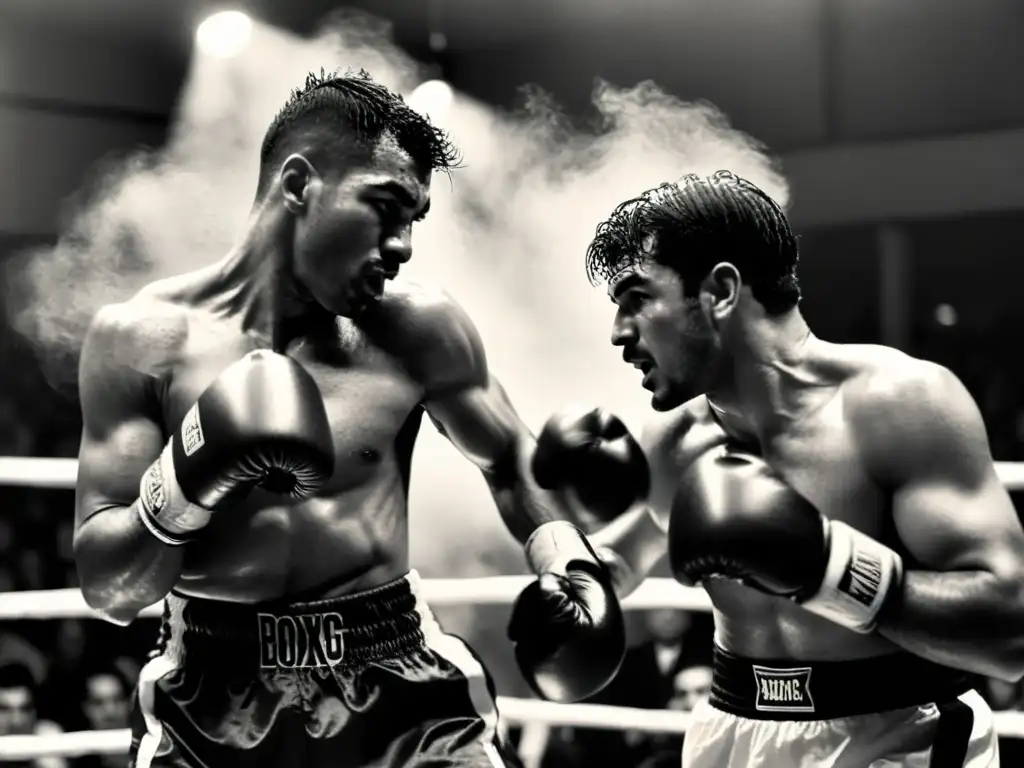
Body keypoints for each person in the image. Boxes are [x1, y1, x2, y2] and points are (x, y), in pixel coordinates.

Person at [72, 69, 627, 768]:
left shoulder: (416, 328)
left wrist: (570, 563)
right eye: (387, 208)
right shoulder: (141, 340)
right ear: (300, 185)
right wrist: (187, 478)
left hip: (396, 680)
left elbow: (514, 459)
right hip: (212, 696)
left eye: (414, 222)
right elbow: (108, 589)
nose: (402, 246)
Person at [528, 170, 1024, 766]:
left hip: (898, 736)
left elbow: (1009, 629)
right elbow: (629, 551)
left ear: (721, 291)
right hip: (731, 732)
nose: (618, 334)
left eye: (637, 299)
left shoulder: (898, 405)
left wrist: (825, 567)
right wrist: (572, 575)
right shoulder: (677, 439)